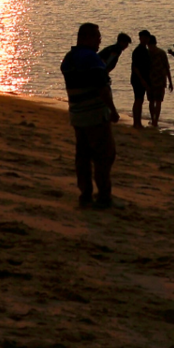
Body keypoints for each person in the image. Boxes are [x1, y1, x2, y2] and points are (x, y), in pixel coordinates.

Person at [59, 22, 133, 208]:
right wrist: (113, 110)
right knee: (104, 155)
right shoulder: (91, 59)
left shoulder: (69, 58)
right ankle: (104, 197)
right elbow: (102, 88)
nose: (100, 41)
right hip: (94, 115)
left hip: (77, 114)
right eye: (97, 37)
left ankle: (85, 193)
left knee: (83, 155)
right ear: (86, 37)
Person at [129, 31, 170, 129]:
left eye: (147, 38)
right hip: (147, 80)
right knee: (143, 100)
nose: (146, 40)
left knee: (146, 100)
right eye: (144, 38)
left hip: (149, 80)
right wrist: (142, 80)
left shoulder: (146, 51)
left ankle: (145, 121)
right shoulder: (142, 51)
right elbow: (135, 67)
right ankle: (144, 121)